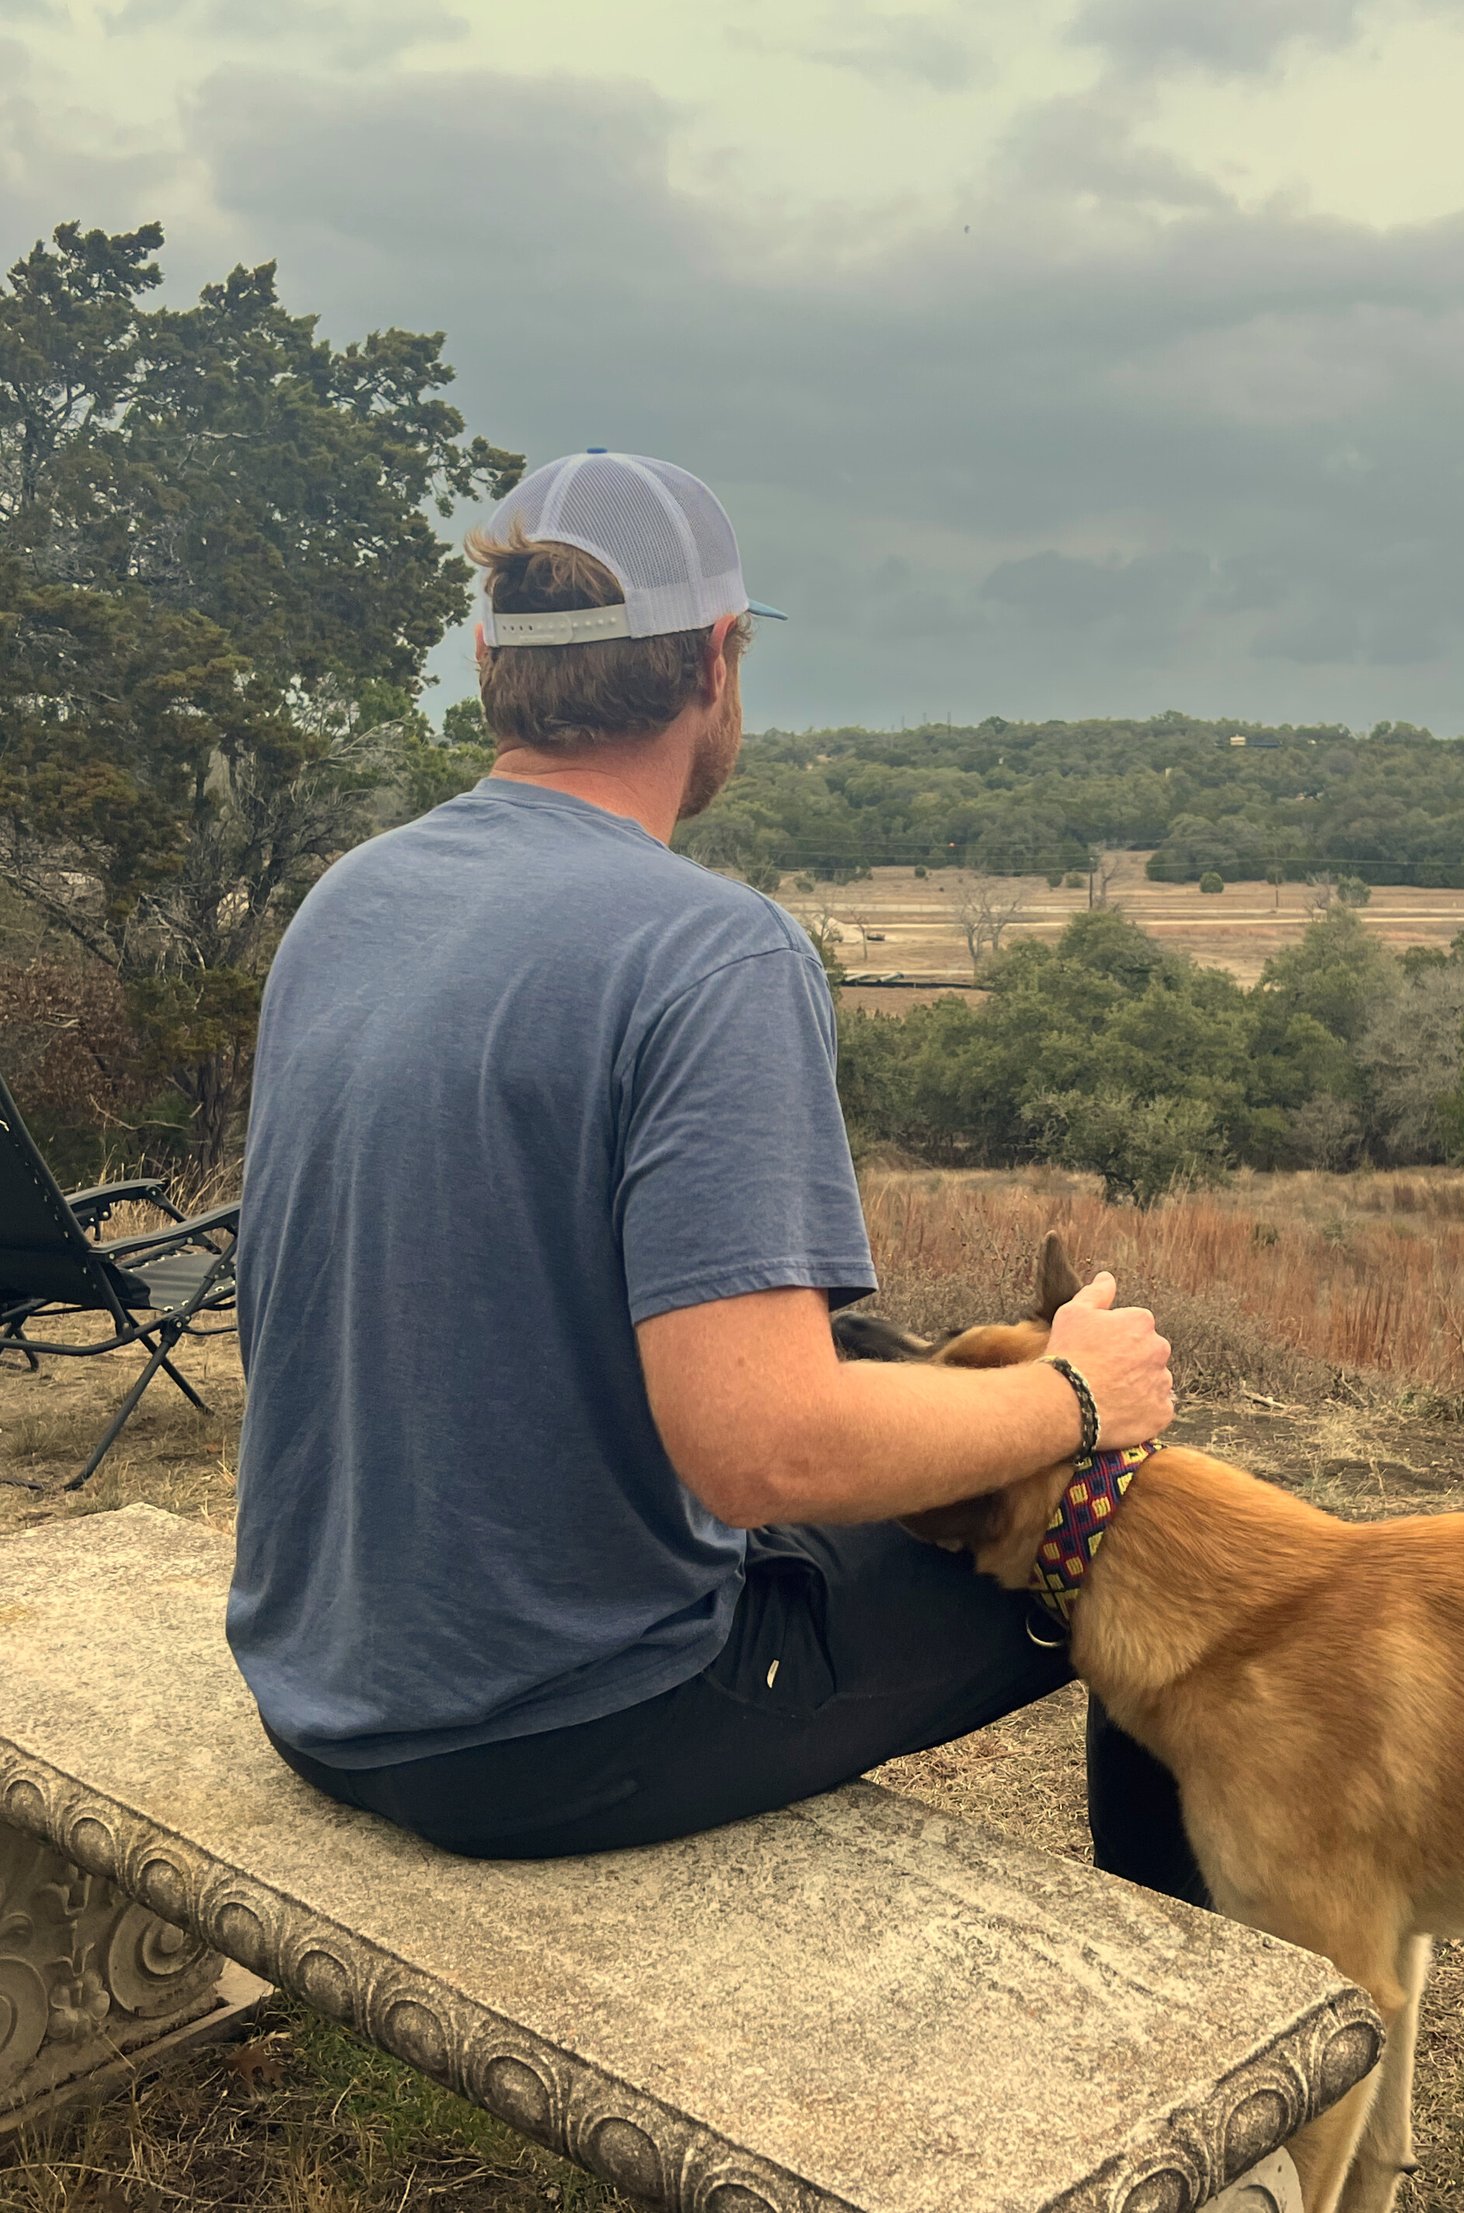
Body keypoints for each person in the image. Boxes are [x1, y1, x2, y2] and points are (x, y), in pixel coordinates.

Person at [228, 450, 1204, 1895]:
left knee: (865, 1355)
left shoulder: (350, 901)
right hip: (554, 1729)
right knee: (1124, 1527)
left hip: (319, 1676)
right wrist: (1079, 1395)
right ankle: (1204, 1994)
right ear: (716, 661)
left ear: (491, 660)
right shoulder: (710, 951)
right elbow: (765, 1455)